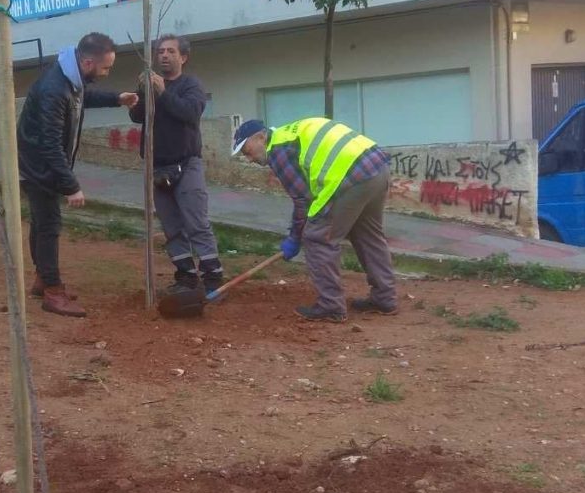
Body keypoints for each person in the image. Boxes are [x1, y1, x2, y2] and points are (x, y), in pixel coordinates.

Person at [17, 33, 138, 318]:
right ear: (87, 62)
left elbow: (83, 98)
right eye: (105, 68)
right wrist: (71, 186)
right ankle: (53, 292)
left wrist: (117, 98)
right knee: (48, 226)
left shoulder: (69, 78)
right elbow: (50, 144)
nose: (107, 72)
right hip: (39, 166)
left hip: (39, 162)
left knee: (41, 222)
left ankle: (42, 280)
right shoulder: (54, 89)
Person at [231, 116, 397, 322]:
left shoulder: (279, 151)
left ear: (260, 137)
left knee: (318, 238)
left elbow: (303, 200)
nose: (250, 159)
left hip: (350, 176)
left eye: (247, 152)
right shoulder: (290, 134)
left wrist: (295, 237)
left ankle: (331, 306)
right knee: (367, 235)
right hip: (376, 166)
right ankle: (384, 298)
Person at [129, 35, 223, 294]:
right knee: (171, 227)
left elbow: (190, 112)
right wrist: (143, 92)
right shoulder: (152, 86)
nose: (164, 56)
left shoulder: (190, 85)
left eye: (170, 51)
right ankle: (186, 276)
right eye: (160, 52)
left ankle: (212, 276)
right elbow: (137, 116)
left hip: (186, 164)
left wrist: (162, 92)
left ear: (183, 57)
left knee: (196, 223)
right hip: (156, 167)